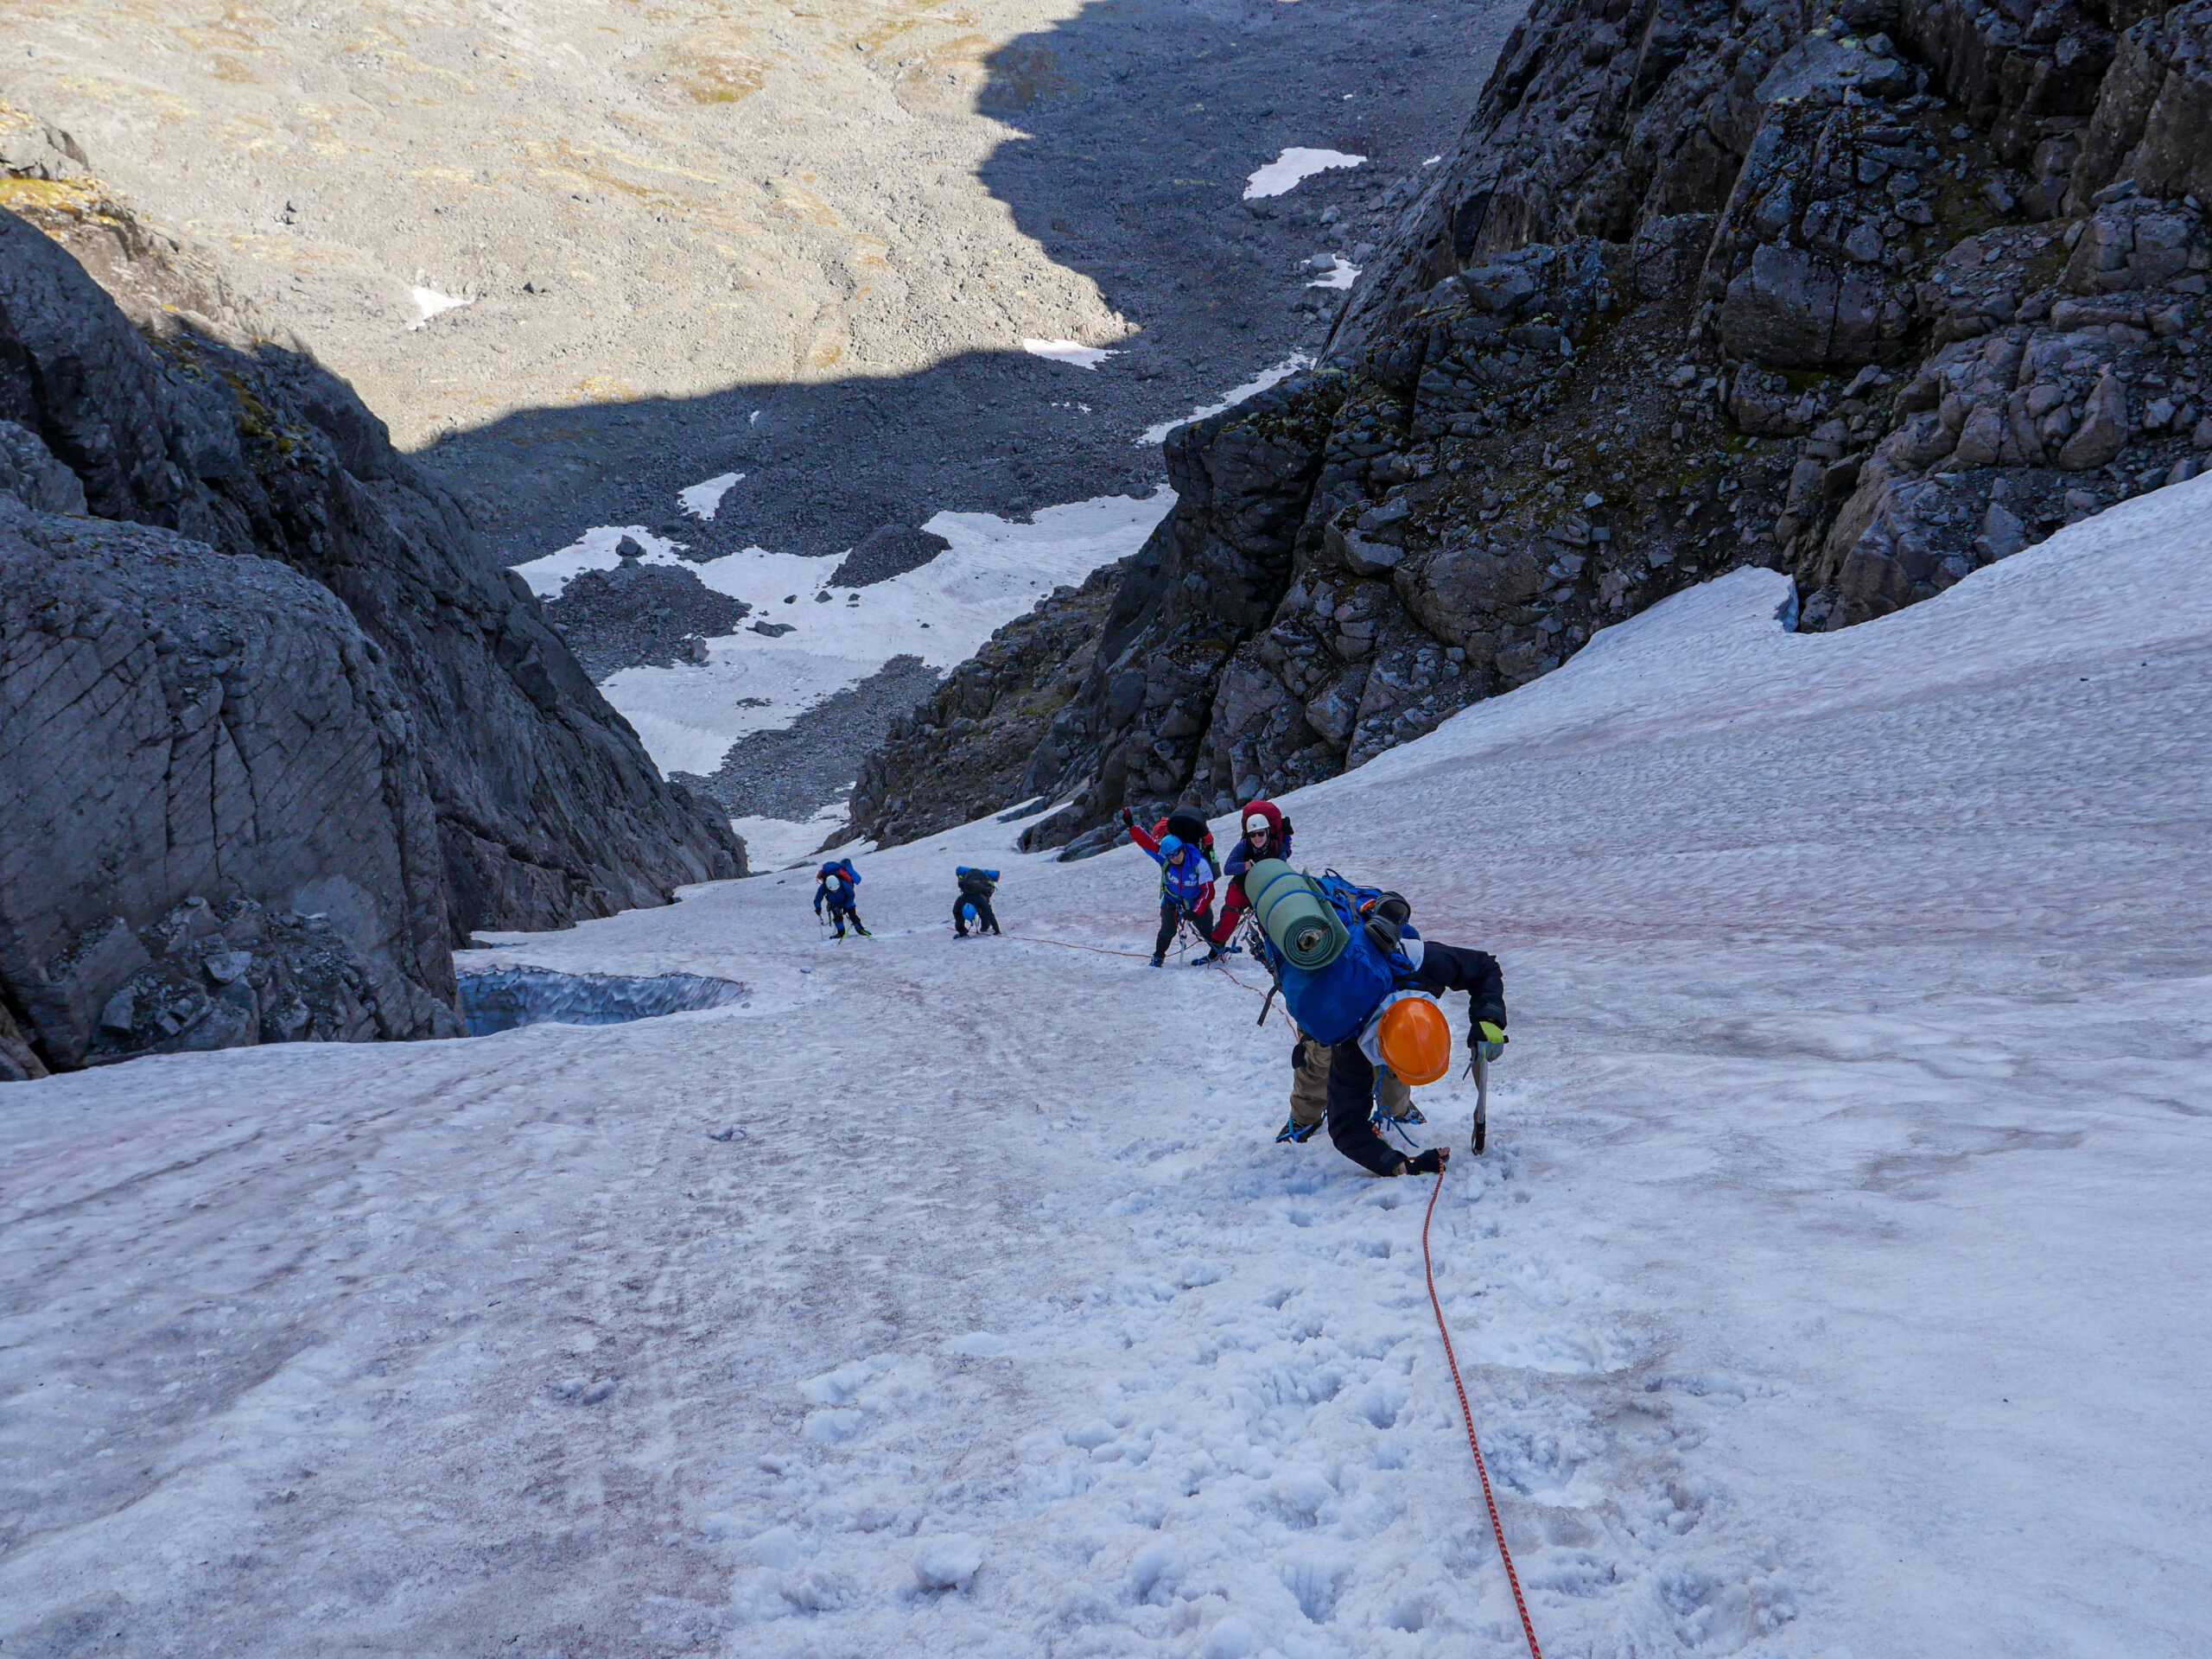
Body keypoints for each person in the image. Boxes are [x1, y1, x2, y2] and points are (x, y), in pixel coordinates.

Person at [1248, 866, 1506, 1177]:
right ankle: (1303, 1117)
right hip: (1325, 992)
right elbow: (1346, 1128)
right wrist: (1402, 1165)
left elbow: (1483, 967)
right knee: (1318, 1061)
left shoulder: (1411, 961)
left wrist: (1488, 1019)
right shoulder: (1347, 1041)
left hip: (1362, 978)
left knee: (1395, 1070)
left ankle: (1396, 1108)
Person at [1122, 809, 1216, 966]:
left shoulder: (1200, 863)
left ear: (1182, 848)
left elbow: (1208, 891)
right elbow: (1147, 843)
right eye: (1170, 855)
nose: (1174, 857)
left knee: (1206, 929)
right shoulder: (1164, 858)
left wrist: (1195, 911)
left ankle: (1216, 951)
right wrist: (1132, 826)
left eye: (1176, 853)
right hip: (1171, 900)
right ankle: (1158, 956)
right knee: (1167, 930)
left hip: (1195, 901)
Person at [1205, 798, 1293, 960]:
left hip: (1263, 890)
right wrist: (1248, 865)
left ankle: (1273, 951)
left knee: (1267, 921)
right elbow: (1228, 868)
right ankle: (1215, 950)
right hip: (1241, 887)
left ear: (1267, 832)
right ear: (1248, 835)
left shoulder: (1278, 848)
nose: (1257, 838)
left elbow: (1281, 871)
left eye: (1261, 833)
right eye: (1253, 834)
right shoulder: (1244, 846)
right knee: (1229, 919)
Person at [813, 857, 870, 939]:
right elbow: (817, 899)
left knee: (853, 916)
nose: (835, 891)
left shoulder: (843, 884)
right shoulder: (824, 887)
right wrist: (818, 907)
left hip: (848, 902)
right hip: (835, 904)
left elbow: (851, 895)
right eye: (832, 890)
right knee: (838, 918)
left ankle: (861, 930)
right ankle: (841, 933)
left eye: (836, 889)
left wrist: (846, 907)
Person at [954, 866, 1001, 937]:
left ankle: (984, 927)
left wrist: (961, 931)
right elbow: (990, 915)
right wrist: (996, 930)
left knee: (983, 911)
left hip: (978, 894)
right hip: (979, 896)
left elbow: (956, 913)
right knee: (984, 912)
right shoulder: (980, 900)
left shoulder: (961, 900)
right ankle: (984, 927)